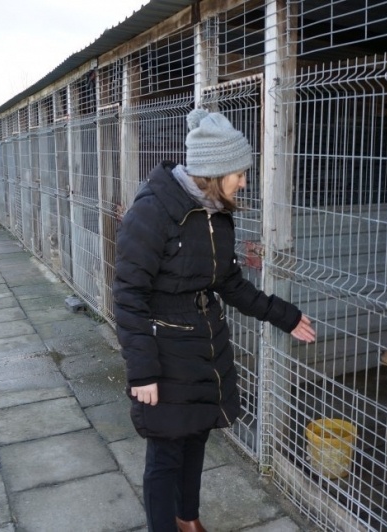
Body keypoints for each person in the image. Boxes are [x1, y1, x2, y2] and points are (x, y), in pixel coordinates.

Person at [113, 108, 316, 532]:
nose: (244, 182)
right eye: (240, 173)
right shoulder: (153, 212)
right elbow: (129, 296)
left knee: (196, 437)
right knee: (166, 453)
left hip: (205, 345)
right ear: (215, 170)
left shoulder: (216, 213)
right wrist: (143, 372)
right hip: (164, 349)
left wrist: (285, 315)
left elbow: (229, 282)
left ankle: (188, 520)